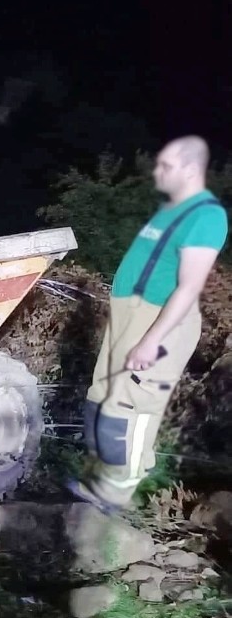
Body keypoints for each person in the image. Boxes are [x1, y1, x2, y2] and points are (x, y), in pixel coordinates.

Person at [70, 136, 228, 513]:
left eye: (167, 166)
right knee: (102, 398)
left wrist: (151, 339)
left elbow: (189, 286)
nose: (158, 172)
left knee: (131, 406)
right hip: (131, 315)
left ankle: (117, 493)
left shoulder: (207, 216)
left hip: (160, 322)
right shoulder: (170, 211)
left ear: (191, 170)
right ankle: (100, 480)